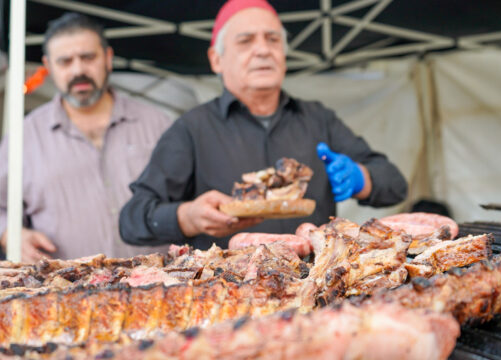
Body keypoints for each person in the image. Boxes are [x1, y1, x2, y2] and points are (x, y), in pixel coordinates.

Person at [119, 0, 407, 250]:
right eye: (246, 41)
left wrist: (362, 178)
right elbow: (132, 219)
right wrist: (188, 217)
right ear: (216, 60)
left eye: (272, 39)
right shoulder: (192, 129)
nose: (263, 50)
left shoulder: (317, 118)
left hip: (316, 290)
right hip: (229, 296)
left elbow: (395, 184)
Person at [0, 13, 173, 262]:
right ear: (48, 67)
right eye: (65, 61)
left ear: (107, 58)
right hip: (65, 292)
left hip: (159, 289)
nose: (78, 70)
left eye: (88, 57)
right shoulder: (23, 137)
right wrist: (9, 235)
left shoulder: (157, 123)